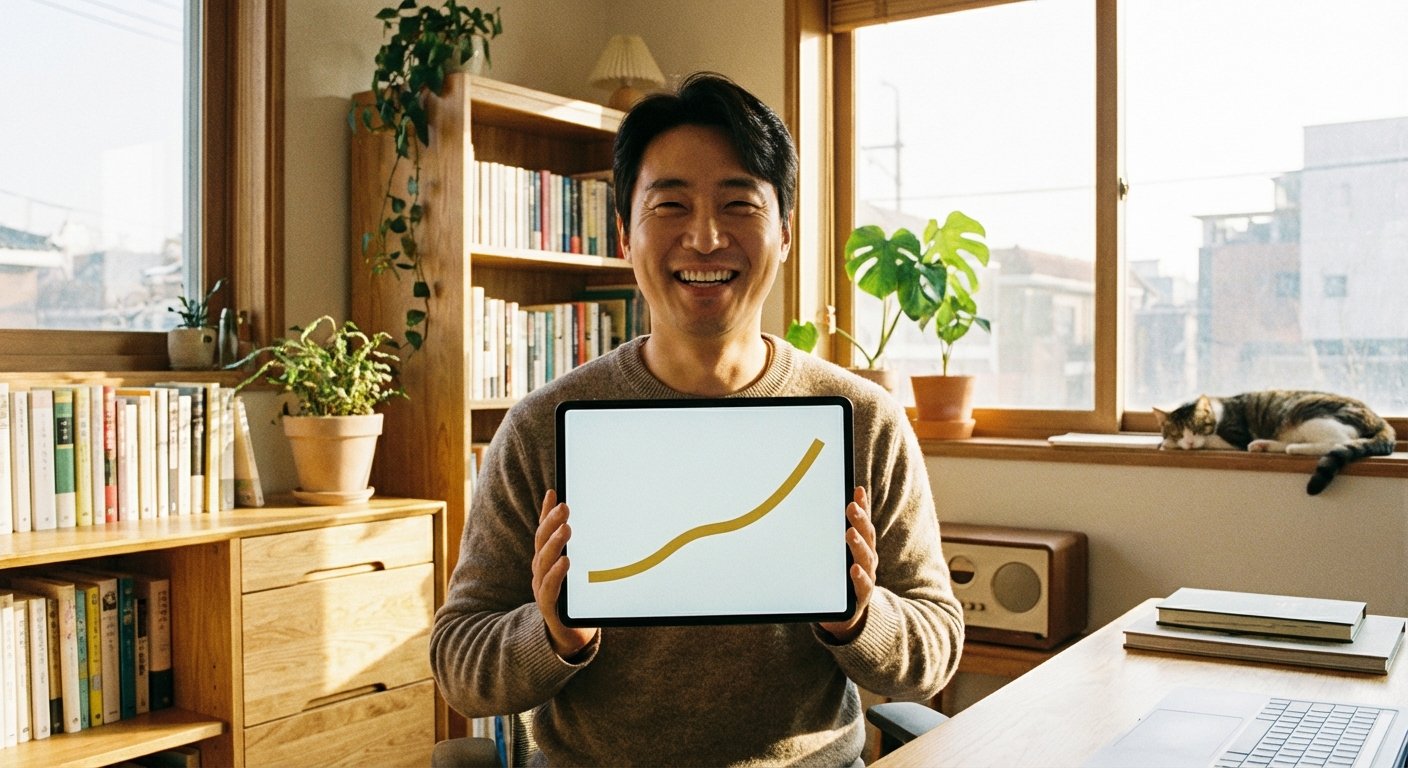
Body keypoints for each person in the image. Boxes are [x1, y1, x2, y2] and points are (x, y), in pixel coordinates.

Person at [431, 71, 963, 767]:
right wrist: (554, 633)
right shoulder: (543, 427)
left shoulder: (864, 421)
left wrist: (858, 617)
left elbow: (935, 648)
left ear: (784, 234)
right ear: (625, 236)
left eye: (738, 204)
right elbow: (459, 662)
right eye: (670, 205)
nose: (706, 238)